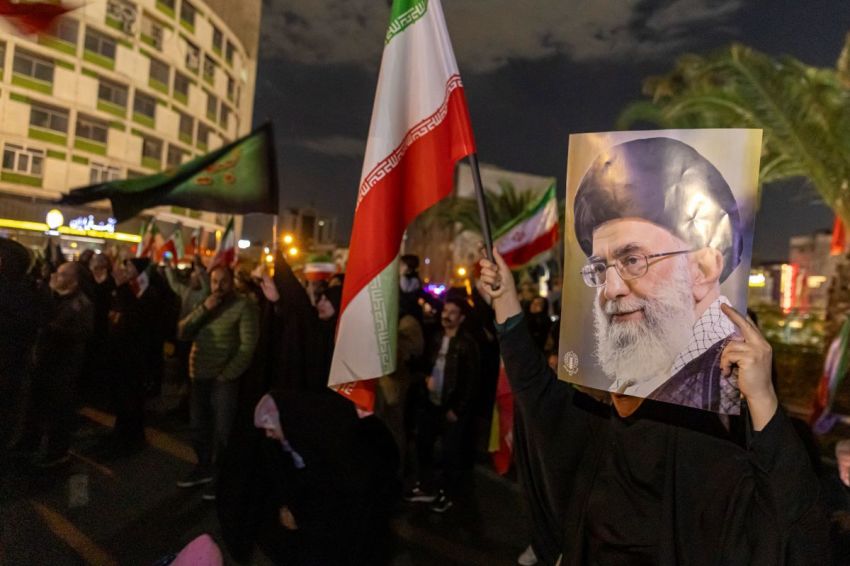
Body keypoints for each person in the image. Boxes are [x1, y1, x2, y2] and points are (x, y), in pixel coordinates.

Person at [478, 247, 828, 565]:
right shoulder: (594, 429)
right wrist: (505, 299)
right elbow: (533, 385)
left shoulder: (699, 451)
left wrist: (763, 397)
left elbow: (792, 530)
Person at [573, 137, 744, 412]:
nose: (611, 288)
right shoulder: (655, 366)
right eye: (602, 268)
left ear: (703, 269)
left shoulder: (734, 383)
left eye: (632, 260)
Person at [177, 265, 259, 499]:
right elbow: (182, 331)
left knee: (223, 431)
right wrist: (204, 308)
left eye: (223, 281)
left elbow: (248, 345)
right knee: (198, 426)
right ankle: (203, 467)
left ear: (232, 282)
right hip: (198, 376)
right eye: (214, 281)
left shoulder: (244, 306)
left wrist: (228, 374)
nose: (218, 286)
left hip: (222, 378)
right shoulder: (206, 302)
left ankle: (222, 476)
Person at [408, 297, 480, 513]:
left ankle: (448, 494)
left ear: (461, 318)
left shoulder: (466, 344)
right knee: (424, 445)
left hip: (451, 407)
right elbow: (428, 366)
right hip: (432, 403)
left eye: (452, 312)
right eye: (445, 310)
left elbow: (472, 380)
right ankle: (427, 487)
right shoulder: (436, 337)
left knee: (451, 454)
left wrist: (457, 409)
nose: (446, 315)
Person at [23, 261, 94, 466]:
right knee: (36, 404)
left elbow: (77, 333)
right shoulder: (54, 298)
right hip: (44, 361)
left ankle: (57, 451)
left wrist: (50, 326)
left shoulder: (80, 304)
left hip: (63, 365)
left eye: (61, 274)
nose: (55, 276)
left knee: (58, 409)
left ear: (73, 281)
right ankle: (30, 442)